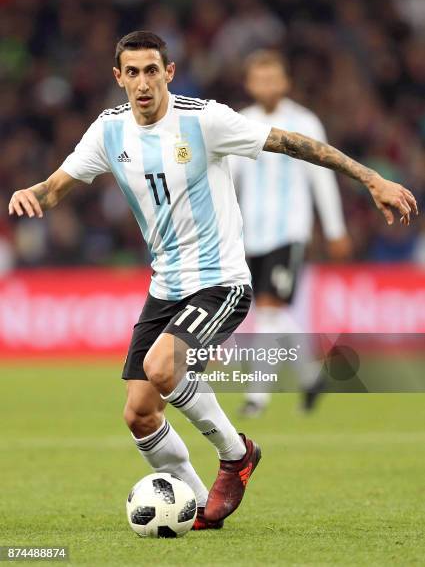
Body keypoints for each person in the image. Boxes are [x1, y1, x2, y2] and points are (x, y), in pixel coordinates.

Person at [8, 31, 418, 530]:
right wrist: (31, 192)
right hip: (165, 288)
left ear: (170, 72)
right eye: (132, 73)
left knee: (164, 366)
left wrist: (371, 178)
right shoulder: (108, 133)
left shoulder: (205, 120)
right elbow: (54, 189)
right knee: (139, 414)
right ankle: (201, 506)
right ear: (118, 78)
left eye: (151, 71)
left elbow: (293, 144)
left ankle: (236, 454)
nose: (143, 82)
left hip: (220, 280)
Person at [231, 50, 351, 417]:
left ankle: (258, 398)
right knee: (266, 313)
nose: (267, 85)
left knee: (268, 309)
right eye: (260, 78)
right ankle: (312, 375)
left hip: (289, 231)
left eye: (273, 78)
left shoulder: (305, 122)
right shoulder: (241, 123)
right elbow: (229, 179)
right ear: (249, 84)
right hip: (251, 234)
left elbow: (323, 176)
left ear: (285, 82)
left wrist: (335, 228)